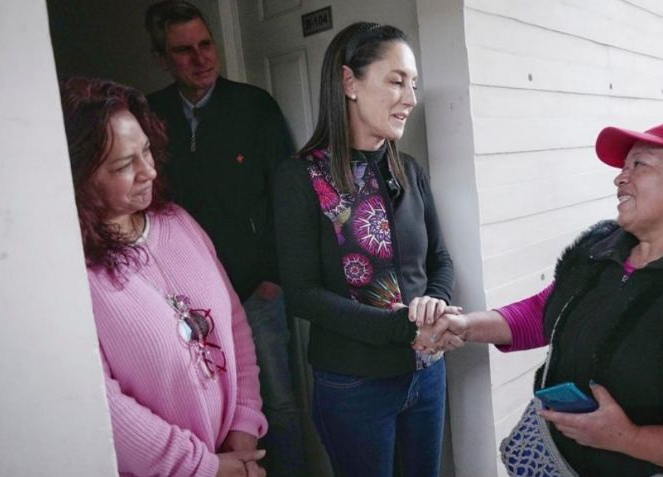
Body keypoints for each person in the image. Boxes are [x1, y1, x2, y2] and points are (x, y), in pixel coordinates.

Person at [423, 119, 663, 477]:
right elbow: (547, 311)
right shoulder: (605, 249)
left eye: (640, 165)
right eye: (624, 167)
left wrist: (629, 439)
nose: (620, 179)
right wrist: (467, 326)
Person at [60, 77, 268, 477]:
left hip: (234, 455)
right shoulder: (72, 275)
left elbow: (234, 324)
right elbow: (107, 408)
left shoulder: (178, 221)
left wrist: (244, 425)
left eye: (146, 151)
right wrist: (205, 468)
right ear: (79, 176)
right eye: (124, 165)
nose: (149, 171)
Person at [274, 22, 455, 477]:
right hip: (353, 385)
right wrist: (399, 328)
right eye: (396, 81)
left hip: (426, 373)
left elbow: (440, 261)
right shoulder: (299, 178)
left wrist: (436, 308)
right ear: (348, 82)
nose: (411, 98)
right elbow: (301, 293)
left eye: (413, 84)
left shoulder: (409, 171)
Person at [143, 2, 305, 474]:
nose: (201, 59)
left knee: (278, 403)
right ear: (162, 58)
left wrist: (273, 277)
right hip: (184, 301)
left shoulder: (255, 107)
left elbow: (288, 198)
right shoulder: (151, 115)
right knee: (202, 409)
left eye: (206, 44)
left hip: (256, 292)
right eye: (184, 50)